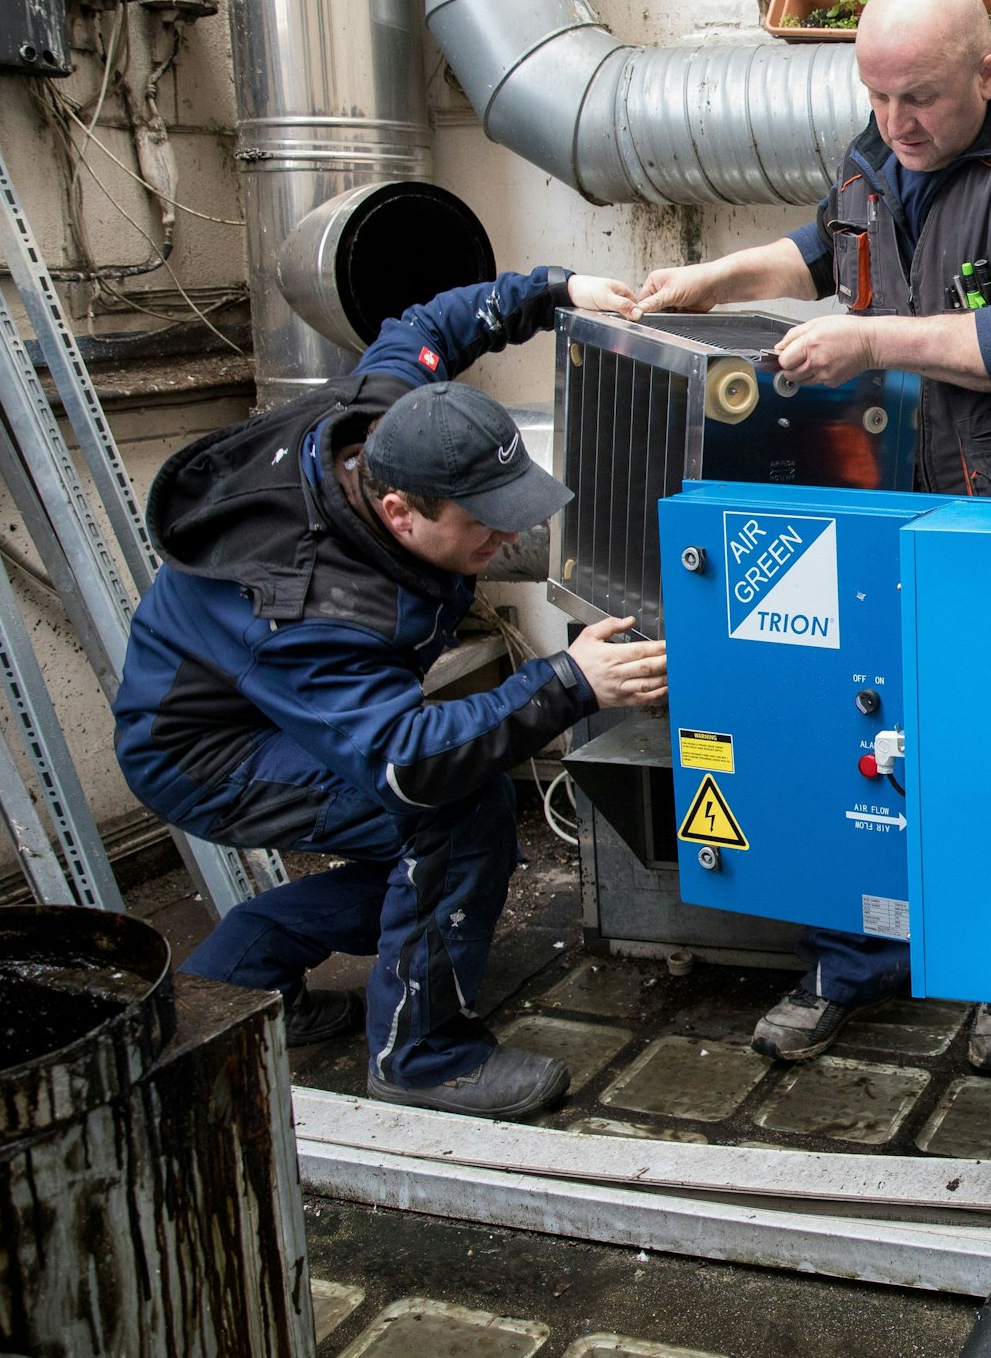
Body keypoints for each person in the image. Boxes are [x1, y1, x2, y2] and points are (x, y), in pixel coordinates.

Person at [633, 0, 991, 1071]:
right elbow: (825, 244)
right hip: (884, 495)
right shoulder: (878, 150)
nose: (896, 123)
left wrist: (873, 340)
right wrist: (715, 278)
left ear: (986, 71)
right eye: (877, 97)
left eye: (919, 97)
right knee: (867, 726)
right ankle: (856, 955)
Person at [113, 268, 668, 1121]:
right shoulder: (315, 610)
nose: (512, 533)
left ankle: (242, 970)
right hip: (204, 753)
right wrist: (567, 684)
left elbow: (432, 318)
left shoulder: (387, 414)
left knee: (455, 843)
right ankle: (419, 1059)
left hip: (265, 704)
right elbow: (407, 762)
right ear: (402, 512)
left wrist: (561, 290)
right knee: (453, 815)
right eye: (484, 523)